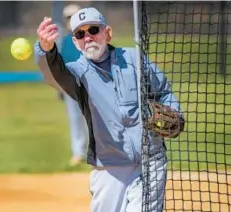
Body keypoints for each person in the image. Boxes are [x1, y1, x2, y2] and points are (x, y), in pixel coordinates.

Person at [34, 7, 184, 212]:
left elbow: (162, 91)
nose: (87, 37)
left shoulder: (134, 59)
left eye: (93, 30)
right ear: (76, 42)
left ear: (108, 33)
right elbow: (54, 75)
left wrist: (174, 112)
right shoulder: (79, 74)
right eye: (80, 34)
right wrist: (45, 49)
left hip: (150, 160)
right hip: (109, 166)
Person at [59, 4, 88, 167]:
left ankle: (97, 152)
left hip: (89, 85)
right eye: (68, 18)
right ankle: (78, 153)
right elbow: (61, 64)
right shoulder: (65, 41)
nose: (70, 20)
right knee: (75, 120)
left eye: (73, 16)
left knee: (93, 121)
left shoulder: (87, 37)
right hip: (71, 86)